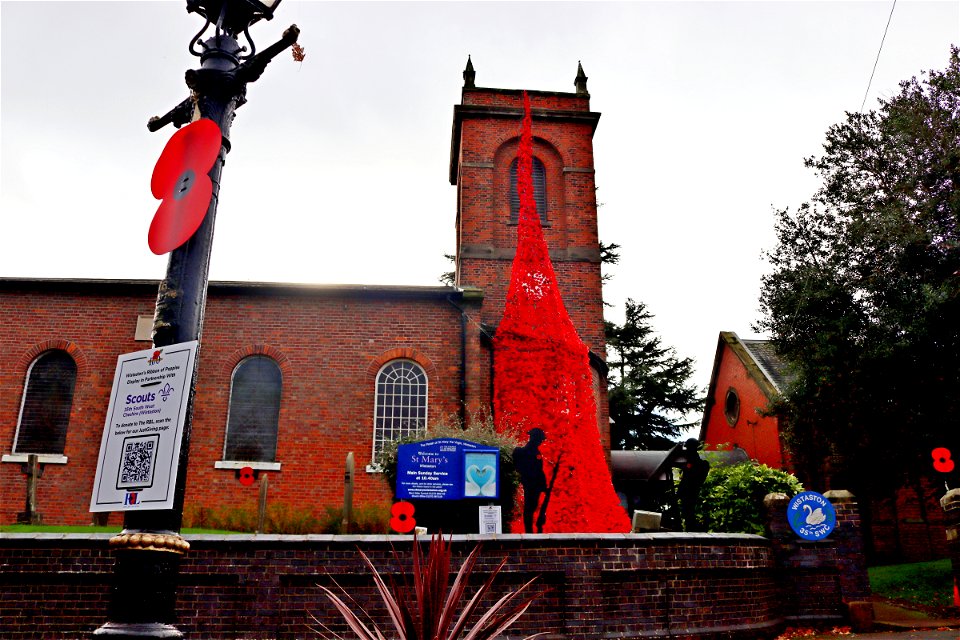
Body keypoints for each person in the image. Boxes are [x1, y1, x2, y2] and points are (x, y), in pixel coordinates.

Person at [513, 428, 547, 533]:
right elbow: (536, 470)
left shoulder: (534, 450)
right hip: (532, 484)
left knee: (531, 507)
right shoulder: (529, 451)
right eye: (540, 439)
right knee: (530, 507)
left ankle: (529, 530)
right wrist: (542, 484)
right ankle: (529, 530)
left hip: (534, 484)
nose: (541, 441)